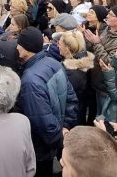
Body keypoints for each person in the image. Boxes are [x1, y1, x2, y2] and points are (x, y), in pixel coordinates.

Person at [15, 27, 79, 177]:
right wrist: (65, 127)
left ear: (27, 49)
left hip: (40, 149)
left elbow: (43, 122)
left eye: (20, 45)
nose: (17, 47)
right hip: (55, 140)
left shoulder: (30, 81)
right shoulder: (53, 62)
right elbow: (72, 99)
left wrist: (59, 138)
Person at [57, 29, 94, 125]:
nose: (57, 45)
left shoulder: (72, 73)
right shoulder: (83, 63)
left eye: (60, 44)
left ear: (67, 48)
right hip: (80, 110)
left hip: (72, 117)